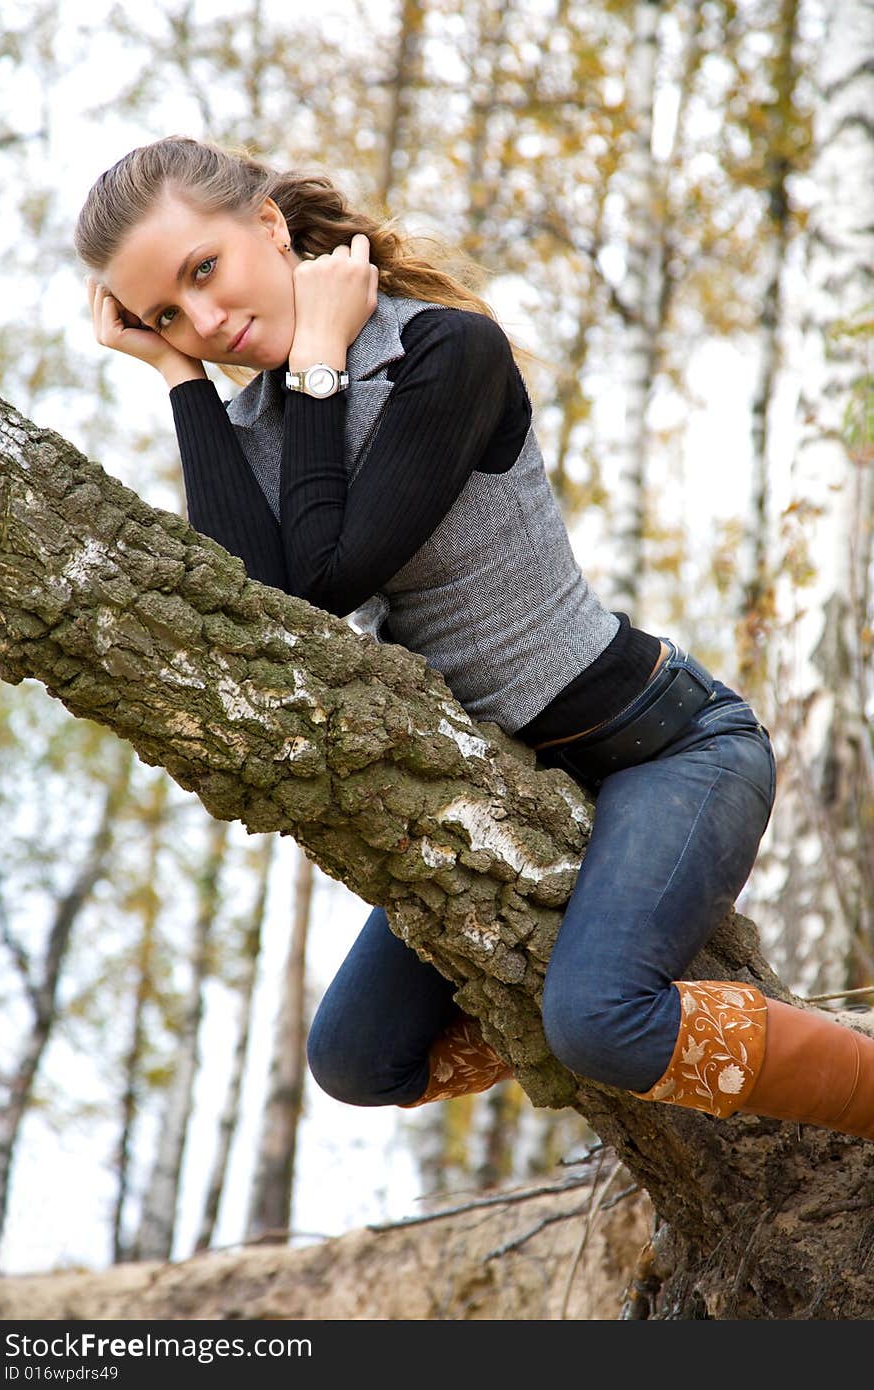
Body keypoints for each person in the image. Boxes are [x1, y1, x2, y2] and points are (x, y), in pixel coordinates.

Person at [75, 134, 874, 1140]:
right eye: (166, 317)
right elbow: (257, 621)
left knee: (597, 1023)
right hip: (507, 794)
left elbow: (328, 581)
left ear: (269, 228)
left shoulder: (445, 354)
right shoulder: (259, 430)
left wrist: (320, 364)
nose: (207, 322)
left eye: (204, 273)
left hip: (669, 749)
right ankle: (614, 999)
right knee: (357, 1061)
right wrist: (181, 384)